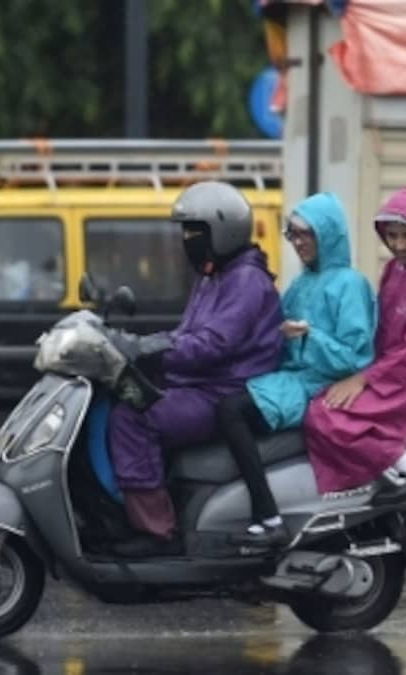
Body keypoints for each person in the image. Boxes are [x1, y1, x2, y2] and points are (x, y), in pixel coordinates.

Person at [108, 181, 284, 557]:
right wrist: (138, 343)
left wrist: (149, 350)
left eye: (194, 232)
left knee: (133, 417)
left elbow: (213, 345)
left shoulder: (245, 280)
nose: (187, 240)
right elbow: (186, 334)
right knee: (120, 394)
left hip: (220, 390)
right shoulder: (214, 275)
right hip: (197, 383)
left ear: (223, 230)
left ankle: (157, 532)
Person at [217, 192, 376, 547]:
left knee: (230, 410)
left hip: (315, 387)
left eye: (307, 234)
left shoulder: (351, 285)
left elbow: (355, 359)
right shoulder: (301, 283)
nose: (299, 242)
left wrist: (308, 335)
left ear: (329, 234)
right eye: (294, 234)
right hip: (291, 379)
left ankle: (267, 514)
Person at [303, 186, 406, 505]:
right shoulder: (394, 269)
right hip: (385, 370)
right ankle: (391, 476)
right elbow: (381, 328)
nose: (399, 245)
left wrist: (364, 379)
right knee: (321, 403)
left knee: (324, 415)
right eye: (391, 236)